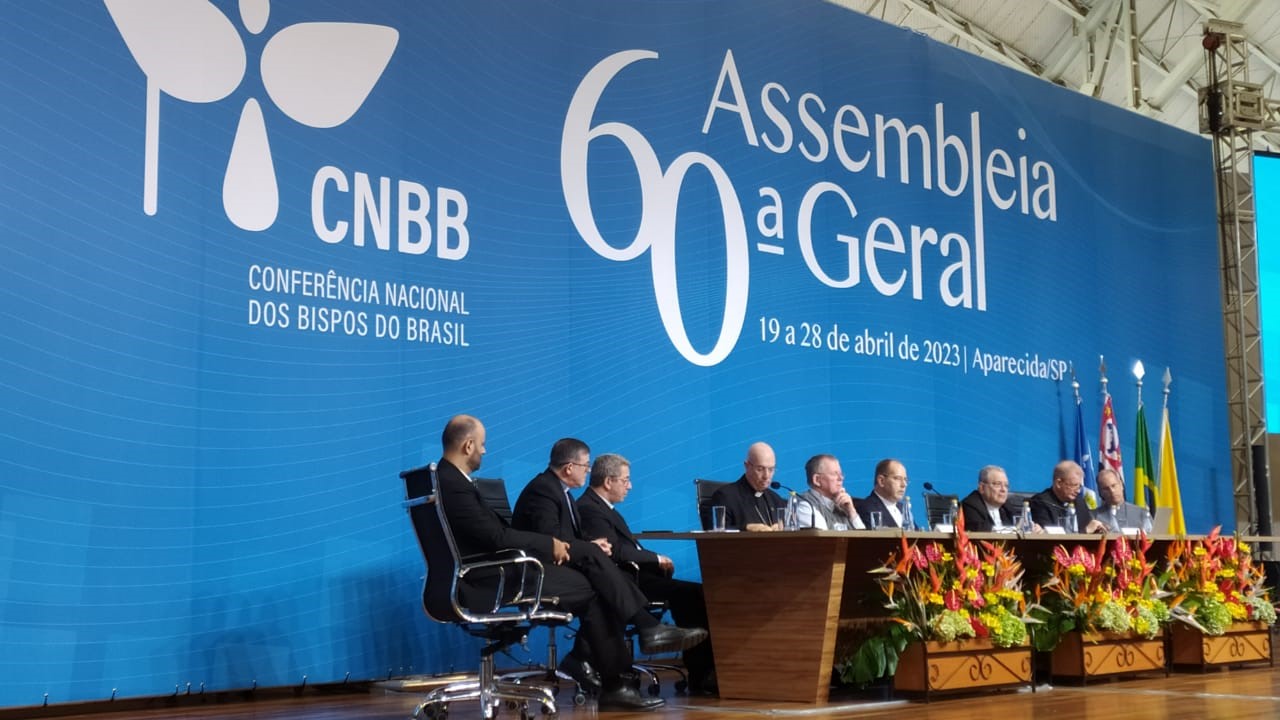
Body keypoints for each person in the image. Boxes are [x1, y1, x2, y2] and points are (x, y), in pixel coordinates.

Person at [434, 417, 704, 711]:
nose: (484, 451)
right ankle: (621, 671)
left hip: (499, 572)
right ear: (468, 444)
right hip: (493, 579)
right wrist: (552, 545)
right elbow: (496, 537)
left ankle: (620, 672)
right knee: (597, 582)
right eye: (482, 444)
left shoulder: (451, 482)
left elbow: (496, 534)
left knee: (597, 576)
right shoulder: (455, 484)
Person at [578, 453, 718, 695]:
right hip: (623, 582)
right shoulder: (590, 508)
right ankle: (701, 676)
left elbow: (627, 548)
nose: (630, 486)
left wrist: (655, 560)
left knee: (695, 593)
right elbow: (614, 551)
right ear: (609, 481)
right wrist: (655, 559)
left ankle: (705, 672)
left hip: (637, 576)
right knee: (691, 595)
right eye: (626, 480)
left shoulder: (604, 508)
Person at [708, 442, 787, 531]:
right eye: (760, 469)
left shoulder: (776, 500)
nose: (766, 476)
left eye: (771, 469)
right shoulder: (725, 497)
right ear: (747, 466)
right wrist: (746, 528)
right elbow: (717, 532)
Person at [1028, 460, 1108, 534]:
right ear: (1058, 483)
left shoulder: (1079, 502)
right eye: (1074, 485)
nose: (1078, 491)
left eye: (1079, 486)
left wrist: (1097, 530)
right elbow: (1049, 538)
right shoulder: (1040, 503)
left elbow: (1089, 527)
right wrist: (1085, 531)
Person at [794, 454, 863, 529]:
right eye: (835, 474)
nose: (841, 478)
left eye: (841, 474)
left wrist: (852, 512)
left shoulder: (843, 506)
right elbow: (824, 539)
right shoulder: (804, 504)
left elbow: (863, 539)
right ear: (817, 480)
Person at [856, 458, 909, 529]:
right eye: (897, 478)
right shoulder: (866, 508)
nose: (904, 485)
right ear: (881, 481)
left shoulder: (903, 508)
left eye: (905, 480)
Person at [1096, 468, 1154, 533]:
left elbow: (1154, 538)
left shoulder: (1142, 513)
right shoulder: (1094, 516)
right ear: (1100, 492)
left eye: (1114, 486)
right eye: (1106, 489)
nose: (1112, 491)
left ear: (1121, 485)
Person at [959, 465, 1014, 532]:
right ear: (982, 488)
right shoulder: (970, 505)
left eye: (1006, 485)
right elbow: (980, 530)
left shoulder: (1007, 508)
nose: (1003, 490)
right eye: (997, 484)